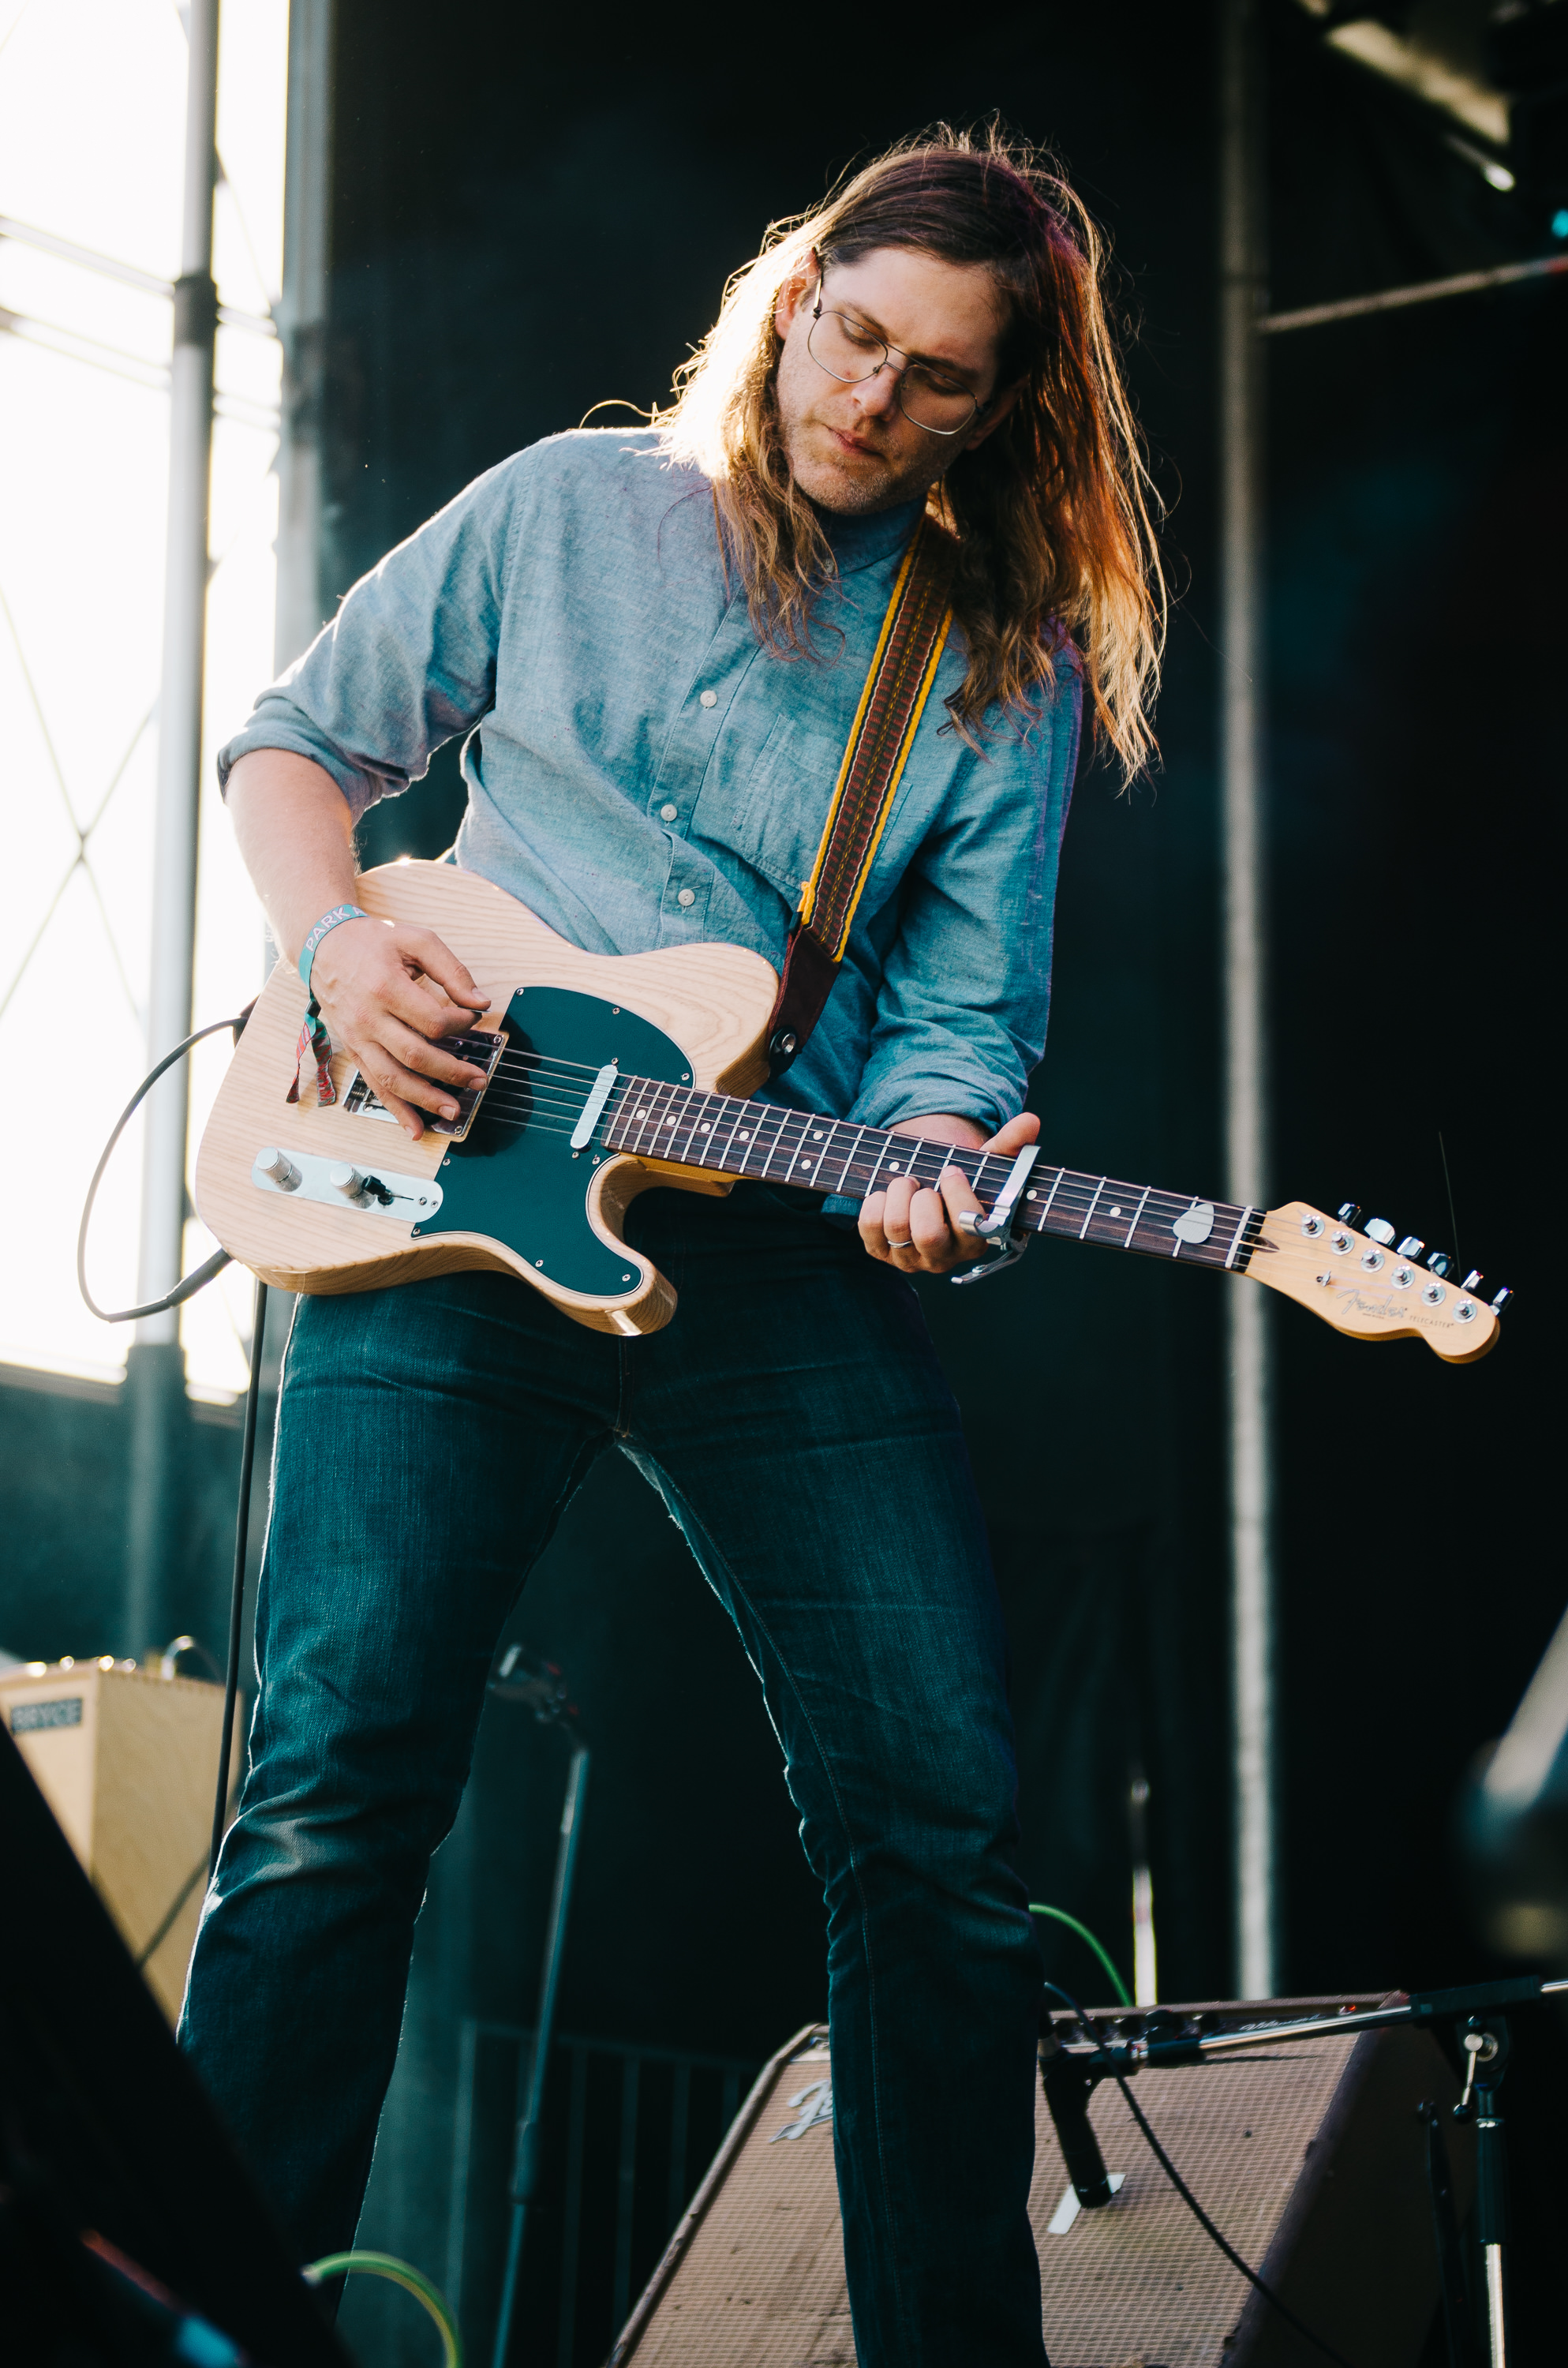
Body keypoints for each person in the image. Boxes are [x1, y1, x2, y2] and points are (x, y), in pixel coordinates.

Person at [183, 126, 1163, 2367]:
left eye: (935, 381)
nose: (868, 400)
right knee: (335, 1795)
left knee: (929, 1829)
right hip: (434, 1194)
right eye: (851, 334)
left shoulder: (984, 677)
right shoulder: (564, 507)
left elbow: (950, 1044)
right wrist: (341, 951)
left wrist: (932, 1179)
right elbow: (295, 745)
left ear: (1000, 410)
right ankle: (209, 2338)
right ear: (794, 290)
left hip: (770, 1247)